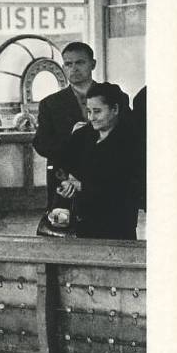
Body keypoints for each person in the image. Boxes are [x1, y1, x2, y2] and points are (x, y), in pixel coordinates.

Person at [56, 82, 140, 240]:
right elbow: (61, 166)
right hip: (82, 219)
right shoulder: (81, 135)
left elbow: (128, 189)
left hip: (117, 224)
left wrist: (83, 186)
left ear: (115, 109)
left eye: (97, 111)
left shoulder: (131, 142)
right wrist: (66, 183)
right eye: (88, 111)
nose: (91, 118)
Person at [33, 42, 98, 208]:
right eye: (69, 64)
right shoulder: (50, 104)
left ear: (93, 64)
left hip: (105, 179)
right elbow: (41, 145)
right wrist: (71, 138)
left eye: (80, 62)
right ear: (63, 67)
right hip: (65, 182)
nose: (74, 68)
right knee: (63, 227)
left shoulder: (114, 95)